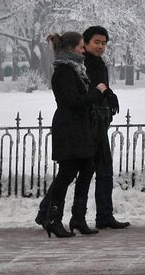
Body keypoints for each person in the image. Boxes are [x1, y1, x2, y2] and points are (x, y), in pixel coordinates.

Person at [35, 25, 128, 230]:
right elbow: (81, 96)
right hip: (84, 124)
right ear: (83, 45)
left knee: (94, 169)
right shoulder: (77, 67)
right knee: (73, 170)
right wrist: (101, 94)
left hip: (95, 121)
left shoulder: (92, 64)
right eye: (96, 42)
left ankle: (96, 215)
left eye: (104, 43)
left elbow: (99, 89)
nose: (101, 47)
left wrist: (109, 95)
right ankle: (48, 213)